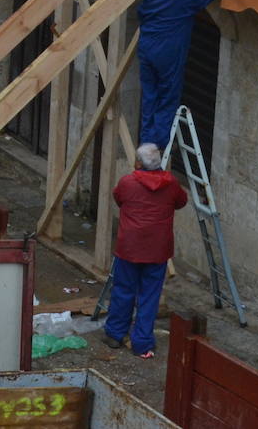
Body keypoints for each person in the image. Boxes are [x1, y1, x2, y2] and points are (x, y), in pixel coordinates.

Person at [103, 143, 188, 359]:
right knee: (149, 296)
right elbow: (181, 202)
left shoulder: (128, 182)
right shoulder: (171, 183)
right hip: (157, 249)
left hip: (130, 247)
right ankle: (142, 342)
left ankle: (115, 333)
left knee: (123, 290)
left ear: (139, 162)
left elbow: (119, 199)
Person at [136, 0, 214, 148]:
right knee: (167, 99)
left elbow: (142, 12)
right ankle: (156, 150)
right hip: (168, 53)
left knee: (150, 97)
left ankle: (146, 143)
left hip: (147, 49)